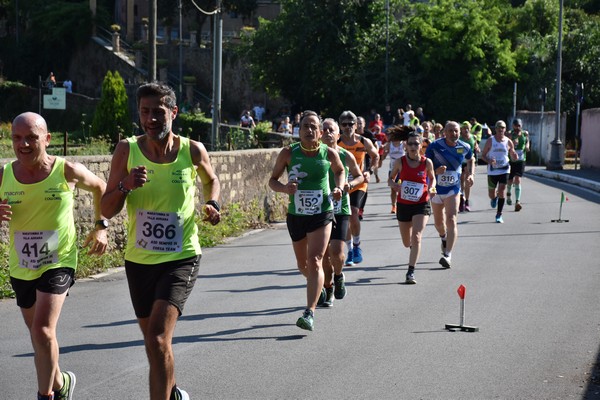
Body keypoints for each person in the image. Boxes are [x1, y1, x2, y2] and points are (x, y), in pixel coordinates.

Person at [101, 82, 221, 400]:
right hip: (139, 260)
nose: (151, 119)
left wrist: (213, 204)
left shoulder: (191, 150)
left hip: (181, 256)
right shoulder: (127, 150)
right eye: (145, 112)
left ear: (173, 113)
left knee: (156, 339)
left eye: (158, 112)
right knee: (156, 343)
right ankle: (173, 391)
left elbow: (212, 180)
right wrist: (125, 186)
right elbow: (106, 208)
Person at [0, 112, 108, 400]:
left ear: (47, 139)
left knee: (43, 330)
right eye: (17, 138)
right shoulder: (4, 175)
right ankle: (61, 383)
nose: (23, 144)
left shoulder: (66, 170)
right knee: (39, 339)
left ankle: (45, 396)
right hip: (22, 265)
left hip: (58, 260)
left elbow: (100, 187)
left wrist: (101, 227)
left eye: (31, 137)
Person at [269, 110, 344, 330]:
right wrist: (284, 189)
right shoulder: (288, 153)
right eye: (305, 127)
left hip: (322, 212)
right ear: (298, 131)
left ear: (320, 132)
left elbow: (340, 171)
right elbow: (272, 181)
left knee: (315, 260)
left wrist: (339, 187)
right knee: (302, 265)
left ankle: (309, 312)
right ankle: (321, 285)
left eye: (313, 127)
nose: (309, 130)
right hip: (296, 215)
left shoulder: (328, 153)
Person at [320, 118, 364, 306]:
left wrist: (350, 184)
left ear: (338, 135)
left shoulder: (346, 155)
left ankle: (339, 276)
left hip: (340, 208)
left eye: (332, 130)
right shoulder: (314, 156)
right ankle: (328, 289)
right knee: (322, 255)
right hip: (319, 209)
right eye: (324, 129)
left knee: (336, 253)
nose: (328, 132)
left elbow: (360, 175)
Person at [388, 130, 436, 284]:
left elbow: (432, 178)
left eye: (416, 143)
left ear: (421, 145)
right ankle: (413, 249)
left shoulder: (426, 162)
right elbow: (390, 179)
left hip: (421, 203)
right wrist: (394, 185)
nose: (413, 146)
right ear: (405, 146)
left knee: (416, 236)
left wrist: (432, 188)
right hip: (403, 204)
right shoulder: (400, 162)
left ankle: (410, 271)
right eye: (410, 143)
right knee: (406, 242)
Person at [425, 121, 475, 268]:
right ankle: (444, 237)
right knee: (439, 224)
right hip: (436, 190)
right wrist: (435, 171)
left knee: (451, 219)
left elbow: (471, 159)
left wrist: (471, 174)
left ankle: (448, 255)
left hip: (453, 189)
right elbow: (424, 166)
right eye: (450, 131)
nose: (454, 134)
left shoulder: (464, 147)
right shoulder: (434, 146)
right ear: (444, 132)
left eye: (456, 131)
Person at [338, 111, 379, 266]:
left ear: (356, 125)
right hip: (341, 184)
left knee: (353, 214)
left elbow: (375, 156)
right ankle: (349, 250)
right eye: (344, 124)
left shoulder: (363, 141)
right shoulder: (336, 142)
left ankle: (356, 246)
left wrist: (370, 170)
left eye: (351, 124)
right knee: (346, 217)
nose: (348, 127)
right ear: (340, 126)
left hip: (359, 183)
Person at [480, 120, 518, 223]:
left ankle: (499, 214)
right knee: (491, 193)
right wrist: (489, 161)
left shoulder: (508, 141)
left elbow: (513, 155)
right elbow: (482, 156)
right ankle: (494, 198)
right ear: (495, 129)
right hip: (492, 171)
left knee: (502, 190)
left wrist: (514, 156)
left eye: (503, 128)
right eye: (499, 128)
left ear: (505, 129)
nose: (501, 130)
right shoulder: (490, 141)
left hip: (505, 169)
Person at [381, 125, 406, 214]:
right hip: (392, 169)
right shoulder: (389, 145)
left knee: (402, 187)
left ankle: (402, 204)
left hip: (402, 169)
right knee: (393, 189)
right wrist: (382, 156)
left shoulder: (404, 144)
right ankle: (393, 206)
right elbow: (383, 156)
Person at [507, 118, 530, 212]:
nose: (517, 128)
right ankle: (508, 194)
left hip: (521, 160)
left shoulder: (525, 134)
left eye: (519, 126)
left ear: (521, 126)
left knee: (517, 179)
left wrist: (528, 146)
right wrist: (512, 141)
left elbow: (527, 141)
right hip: (511, 160)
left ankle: (517, 202)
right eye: (516, 126)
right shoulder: (509, 133)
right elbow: (505, 144)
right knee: (510, 180)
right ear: (513, 126)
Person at [459, 121, 479, 212]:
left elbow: (475, 147)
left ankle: (466, 201)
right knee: (461, 182)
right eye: (464, 128)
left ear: (470, 129)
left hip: (469, 162)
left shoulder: (473, 137)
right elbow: (458, 151)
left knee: (467, 181)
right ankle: (461, 199)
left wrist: (477, 149)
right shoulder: (459, 139)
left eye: (467, 128)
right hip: (461, 162)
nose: (466, 130)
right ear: (461, 129)